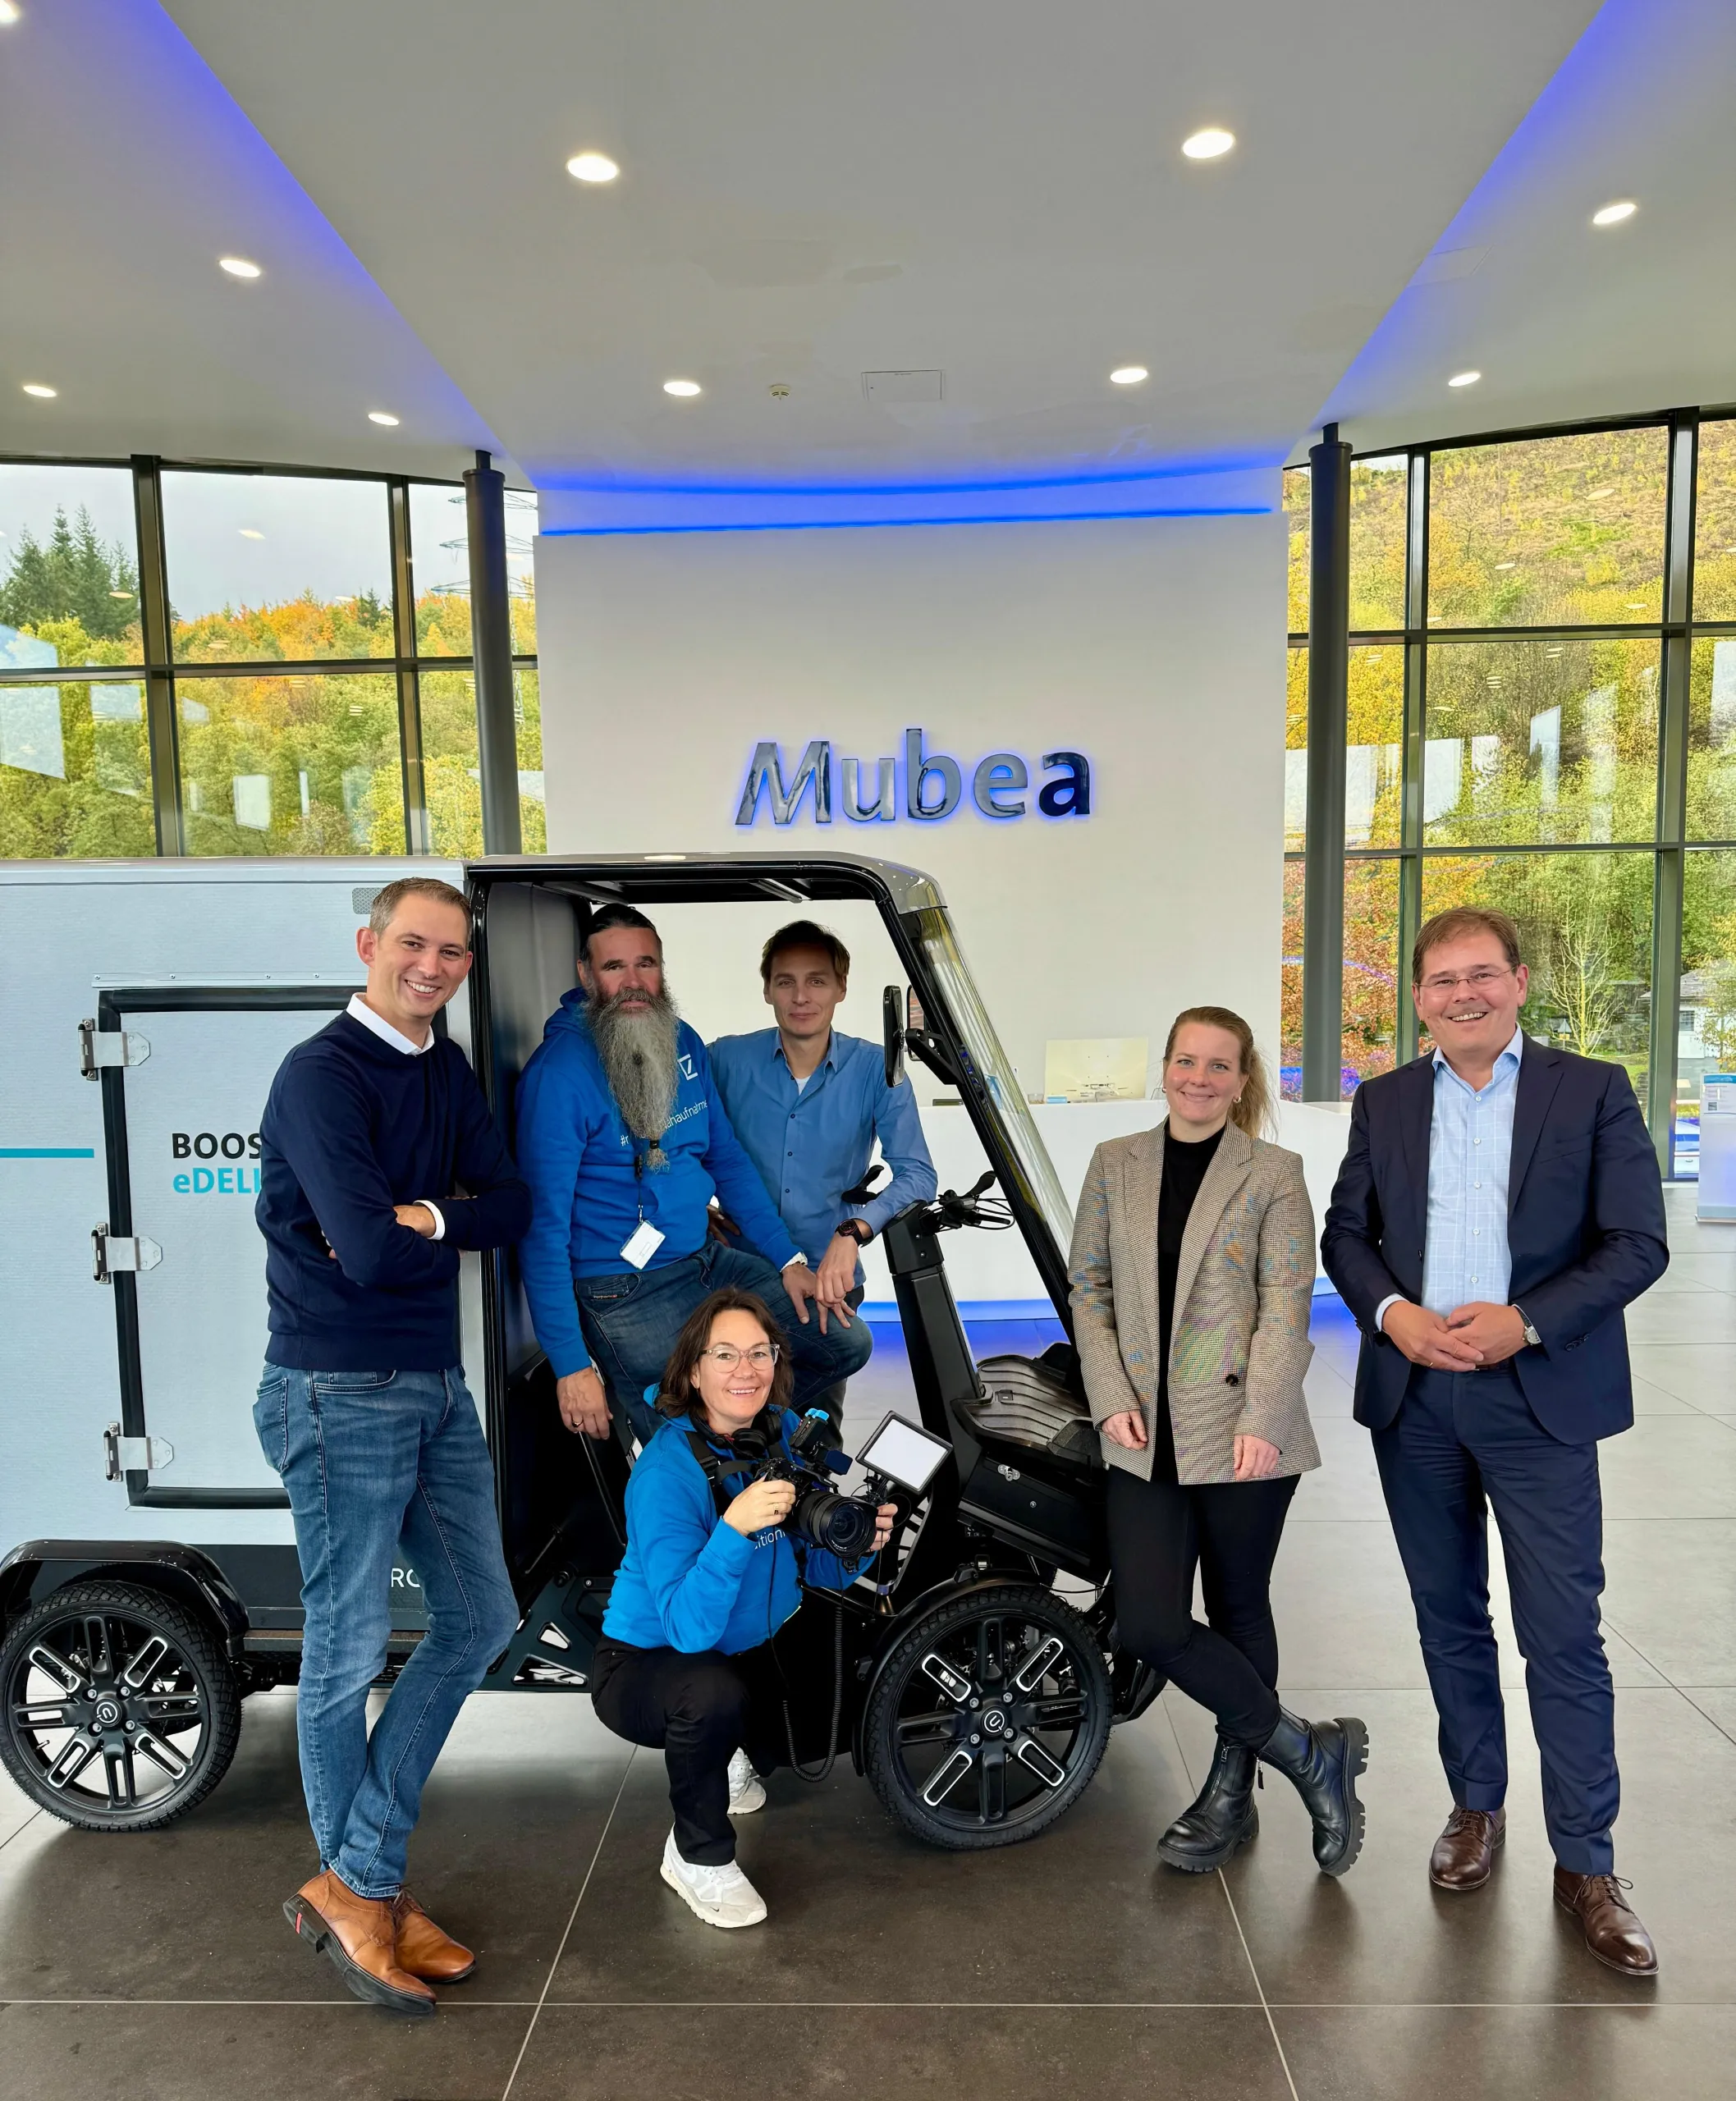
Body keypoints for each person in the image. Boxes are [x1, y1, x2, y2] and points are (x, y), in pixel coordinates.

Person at [1322, 905, 1668, 1977]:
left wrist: (1524, 1319)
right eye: (1439, 980)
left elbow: (1635, 1242)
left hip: (1538, 1397)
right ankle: (1475, 1807)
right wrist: (1393, 1316)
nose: (1460, 994)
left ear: (1516, 982)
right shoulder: (1381, 1101)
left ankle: (1587, 1865)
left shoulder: (1588, 1089)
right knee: (1446, 1618)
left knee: (1561, 1634)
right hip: (1415, 1402)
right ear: (1416, 998)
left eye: (1479, 975)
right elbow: (1345, 1234)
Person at [254, 877, 530, 2017]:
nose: (432, 966)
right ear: (369, 945)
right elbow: (365, 1256)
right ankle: (364, 1892)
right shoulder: (319, 1077)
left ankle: (357, 1876)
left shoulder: (444, 1069)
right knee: (347, 1648)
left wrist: (425, 1217)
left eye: (451, 952)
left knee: (482, 1618)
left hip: (429, 1384)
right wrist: (423, 1222)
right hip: (333, 1389)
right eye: (412, 944)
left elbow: (507, 1207)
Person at [1070, 1005, 1368, 1877]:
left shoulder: (1273, 1170)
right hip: (1138, 1430)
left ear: (1243, 1081)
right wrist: (1108, 1393)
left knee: (1241, 1608)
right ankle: (1308, 1750)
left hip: (1242, 1434)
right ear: (1164, 1067)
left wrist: (1262, 1419)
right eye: (1185, 1061)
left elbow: (1286, 1302)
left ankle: (1231, 1790)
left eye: (1219, 1066)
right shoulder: (1114, 1163)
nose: (1199, 1078)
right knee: (1150, 1622)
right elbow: (1088, 1286)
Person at [515, 904, 873, 1453]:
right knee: (695, 1452)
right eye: (614, 967)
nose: (634, 983)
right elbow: (540, 1231)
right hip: (624, 1291)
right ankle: (725, 1474)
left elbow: (725, 1161)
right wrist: (570, 1364)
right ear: (586, 975)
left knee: (841, 1341)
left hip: (707, 1262)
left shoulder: (680, 1039)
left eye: (646, 964)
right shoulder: (558, 1075)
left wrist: (789, 1261)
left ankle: (754, 1446)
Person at [589, 1289, 895, 1928]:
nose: (745, 1370)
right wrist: (732, 1530)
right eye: (724, 1354)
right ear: (692, 1371)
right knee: (710, 1693)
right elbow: (688, 1628)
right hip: (648, 1663)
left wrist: (860, 1542)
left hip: (747, 1642)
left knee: (838, 1671)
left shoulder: (782, 1431)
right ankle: (695, 1856)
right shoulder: (666, 1473)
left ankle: (733, 1751)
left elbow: (814, 1564)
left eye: (760, 1353)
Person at [709, 918, 937, 1430]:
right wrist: (690, 1201)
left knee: (813, 1427)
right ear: (767, 988)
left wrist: (854, 1231)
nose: (801, 996)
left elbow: (918, 1174)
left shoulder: (878, 1070)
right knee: (730, 1412)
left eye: (817, 980)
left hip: (827, 1283)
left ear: (841, 988)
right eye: (786, 981)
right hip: (738, 1276)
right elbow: (681, 1139)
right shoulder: (724, 1059)